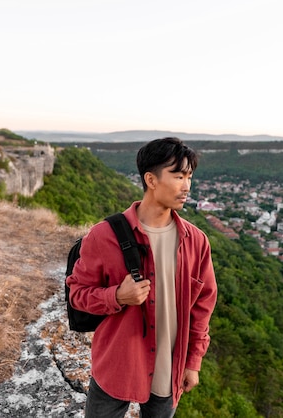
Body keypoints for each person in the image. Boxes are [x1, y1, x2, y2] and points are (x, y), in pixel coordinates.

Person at [67, 137, 218, 418]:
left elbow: (202, 309)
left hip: (169, 370)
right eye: (178, 176)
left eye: (190, 177)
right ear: (151, 179)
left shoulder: (196, 242)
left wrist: (193, 361)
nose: (187, 186)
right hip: (117, 365)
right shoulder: (104, 236)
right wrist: (116, 296)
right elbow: (77, 294)